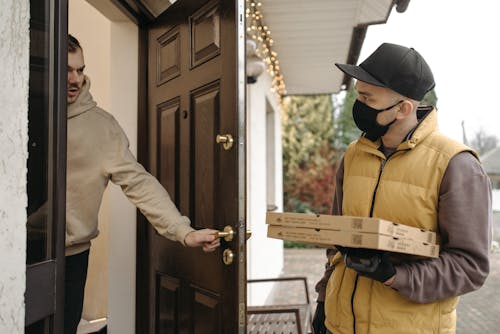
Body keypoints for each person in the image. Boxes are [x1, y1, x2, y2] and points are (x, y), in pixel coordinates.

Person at [312, 43, 492, 334]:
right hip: (339, 325)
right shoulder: (354, 155)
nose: (359, 105)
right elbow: (337, 241)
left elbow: (470, 266)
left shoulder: (455, 165)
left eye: (367, 98)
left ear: (403, 108)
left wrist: (395, 275)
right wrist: (324, 300)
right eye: (358, 94)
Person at [64, 34, 220, 334]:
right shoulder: (21, 113)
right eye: (67, 70)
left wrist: (183, 231)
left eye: (80, 70)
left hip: (71, 258)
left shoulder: (101, 126)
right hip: (18, 249)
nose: (75, 79)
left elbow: (140, 183)